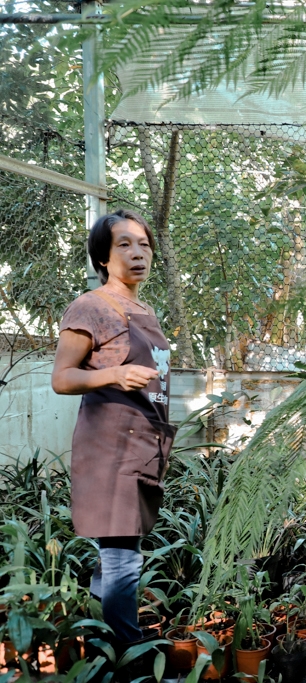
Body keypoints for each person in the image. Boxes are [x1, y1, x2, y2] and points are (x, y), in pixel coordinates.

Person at [51, 209, 177, 646]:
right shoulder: (91, 306)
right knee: (123, 561)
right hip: (111, 450)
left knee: (115, 558)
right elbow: (62, 378)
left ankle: (101, 647)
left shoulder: (142, 308)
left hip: (142, 445)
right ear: (103, 257)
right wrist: (113, 375)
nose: (137, 253)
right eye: (124, 244)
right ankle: (131, 655)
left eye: (143, 244)